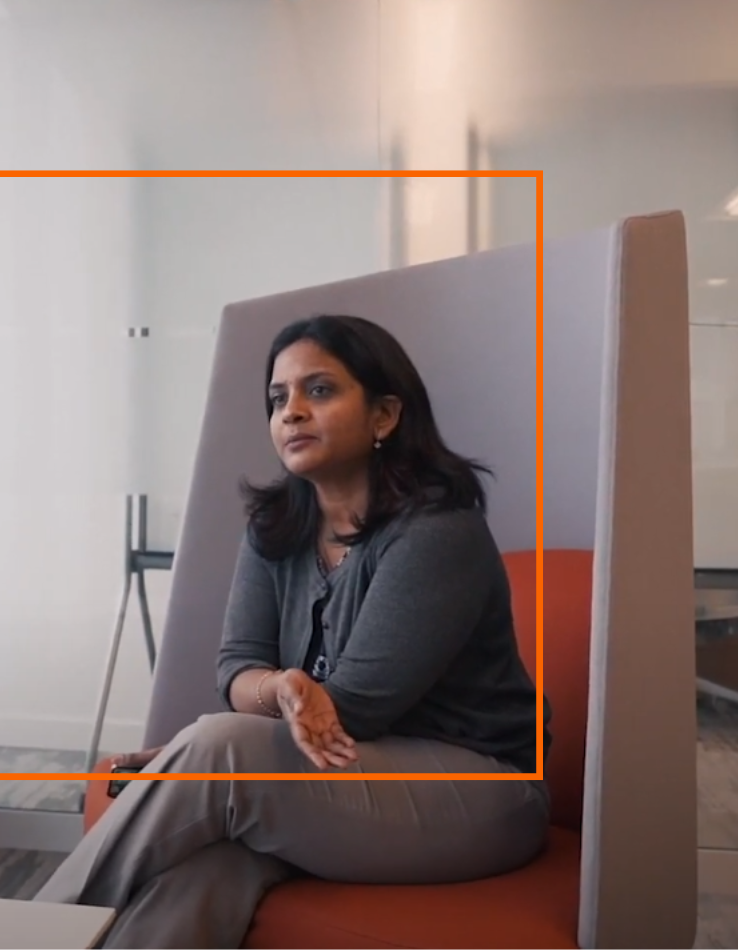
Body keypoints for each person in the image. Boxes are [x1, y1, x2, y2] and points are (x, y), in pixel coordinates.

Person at [33, 314, 552, 948]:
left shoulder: (438, 533)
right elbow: (237, 669)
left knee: (219, 748)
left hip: (481, 793)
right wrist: (276, 690)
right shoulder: (276, 528)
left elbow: (355, 708)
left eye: (320, 391)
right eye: (279, 399)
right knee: (210, 865)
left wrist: (202, 753)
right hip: (341, 777)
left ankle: (31, 935)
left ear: (385, 415)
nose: (292, 412)